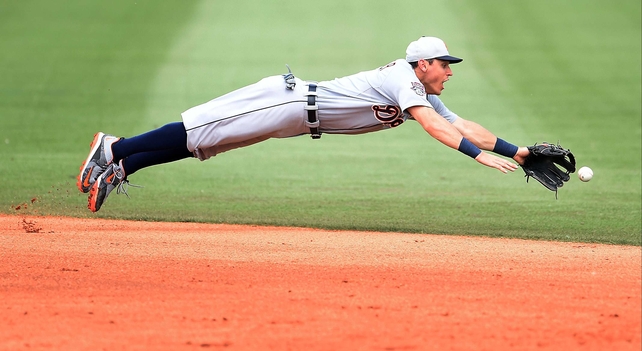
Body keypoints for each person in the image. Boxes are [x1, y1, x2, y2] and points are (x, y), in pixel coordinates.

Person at [77, 36, 530, 212]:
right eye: (445, 66)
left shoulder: (420, 93)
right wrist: (480, 159)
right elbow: (438, 129)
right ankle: (113, 149)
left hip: (294, 119)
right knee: (202, 126)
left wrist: (518, 152)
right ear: (424, 63)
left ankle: (124, 167)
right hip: (286, 100)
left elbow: (462, 125)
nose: (449, 73)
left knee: (204, 145)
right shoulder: (403, 79)